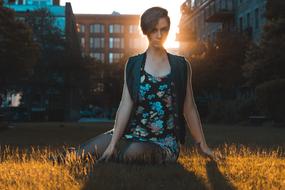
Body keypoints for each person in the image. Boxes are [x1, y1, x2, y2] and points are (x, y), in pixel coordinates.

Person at [75, 6, 215, 164]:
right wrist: (113, 142)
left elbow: (189, 107)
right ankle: (65, 158)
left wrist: (202, 144)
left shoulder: (181, 65)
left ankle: (121, 154)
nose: (159, 35)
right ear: (146, 31)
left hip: (164, 142)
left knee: (133, 152)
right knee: (82, 152)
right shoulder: (133, 64)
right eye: (154, 30)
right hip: (132, 133)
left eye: (164, 29)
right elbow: (125, 104)